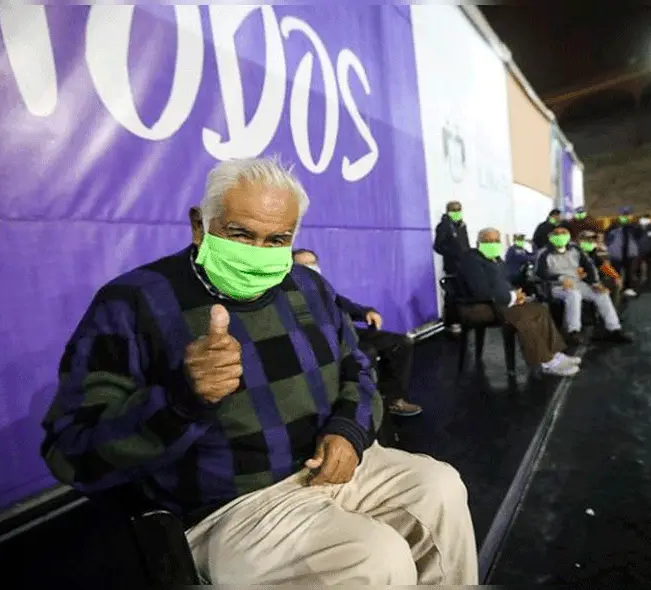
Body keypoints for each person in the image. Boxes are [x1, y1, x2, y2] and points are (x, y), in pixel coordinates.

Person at [41, 157, 476, 585]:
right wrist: (179, 401)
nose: (258, 253)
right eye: (240, 234)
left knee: (441, 487)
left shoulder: (309, 287)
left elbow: (357, 368)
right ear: (200, 225)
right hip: (231, 505)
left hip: (334, 467)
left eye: (277, 239)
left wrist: (349, 431)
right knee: (378, 558)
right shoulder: (131, 303)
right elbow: (72, 451)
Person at [292, 248, 423, 417]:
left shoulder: (322, 287)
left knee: (401, 343)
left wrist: (366, 312)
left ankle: (393, 399)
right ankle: (362, 407)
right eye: (304, 264)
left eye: (313, 263)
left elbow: (343, 303)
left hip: (345, 330)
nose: (310, 268)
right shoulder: (291, 294)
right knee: (367, 352)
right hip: (322, 338)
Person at [454, 228, 582, 377]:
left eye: (496, 240)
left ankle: (554, 354)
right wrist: (512, 297)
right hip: (477, 306)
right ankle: (546, 362)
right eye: (488, 241)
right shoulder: (471, 260)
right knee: (522, 315)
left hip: (499, 303)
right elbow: (481, 291)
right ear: (478, 243)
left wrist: (517, 295)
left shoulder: (496, 260)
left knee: (538, 309)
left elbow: (505, 283)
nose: (493, 244)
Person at [535, 227, 632, 346]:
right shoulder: (544, 253)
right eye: (557, 234)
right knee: (573, 294)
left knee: (601, 293)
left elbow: (589, 266)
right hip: (556, 286)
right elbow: (540, 273)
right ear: (551, 237)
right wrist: (559, 278)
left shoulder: (575, 249)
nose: (560, 236)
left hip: (577, 282)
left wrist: (595, 283)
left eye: (563, 233)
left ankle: (614, 329)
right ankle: (573, 331)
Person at [576, 230, 623, 307]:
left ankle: (612, 309)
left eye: (592, 240)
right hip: (582, 283)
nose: (591, 242)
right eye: (588, 240)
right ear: (580, 240)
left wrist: (616, 276)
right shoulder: (575, 253)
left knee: (615, 283)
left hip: (595, 280)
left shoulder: (592, 253)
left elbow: (603, 266)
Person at [604, 207, 640, 298]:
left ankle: (628, 288)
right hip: (616, 254)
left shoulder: (634, 226)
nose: (625, 217)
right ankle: (615, 289)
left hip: (630, 254)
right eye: (623, 215)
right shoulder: (614, 226)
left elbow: (639, 236)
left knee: (629, 273)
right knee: (616, 273)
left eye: (627, 215)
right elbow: (607, 238)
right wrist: (610, 247)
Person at [433, 200, 470, 277]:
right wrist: (453, 252)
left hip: (465, 265)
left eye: (458, 210)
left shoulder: (462, 226)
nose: (456, 212)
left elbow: (466, 244)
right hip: (452, 266)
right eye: (454, 210)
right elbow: (438, 246)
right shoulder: (443, 226)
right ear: (448, 211)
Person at [635, 213, 651, 291]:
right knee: (638, 269)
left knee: (650, 268)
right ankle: (638, 284)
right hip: (638, 251)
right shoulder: (637, 228)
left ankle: (649, 284)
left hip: (650, 251)